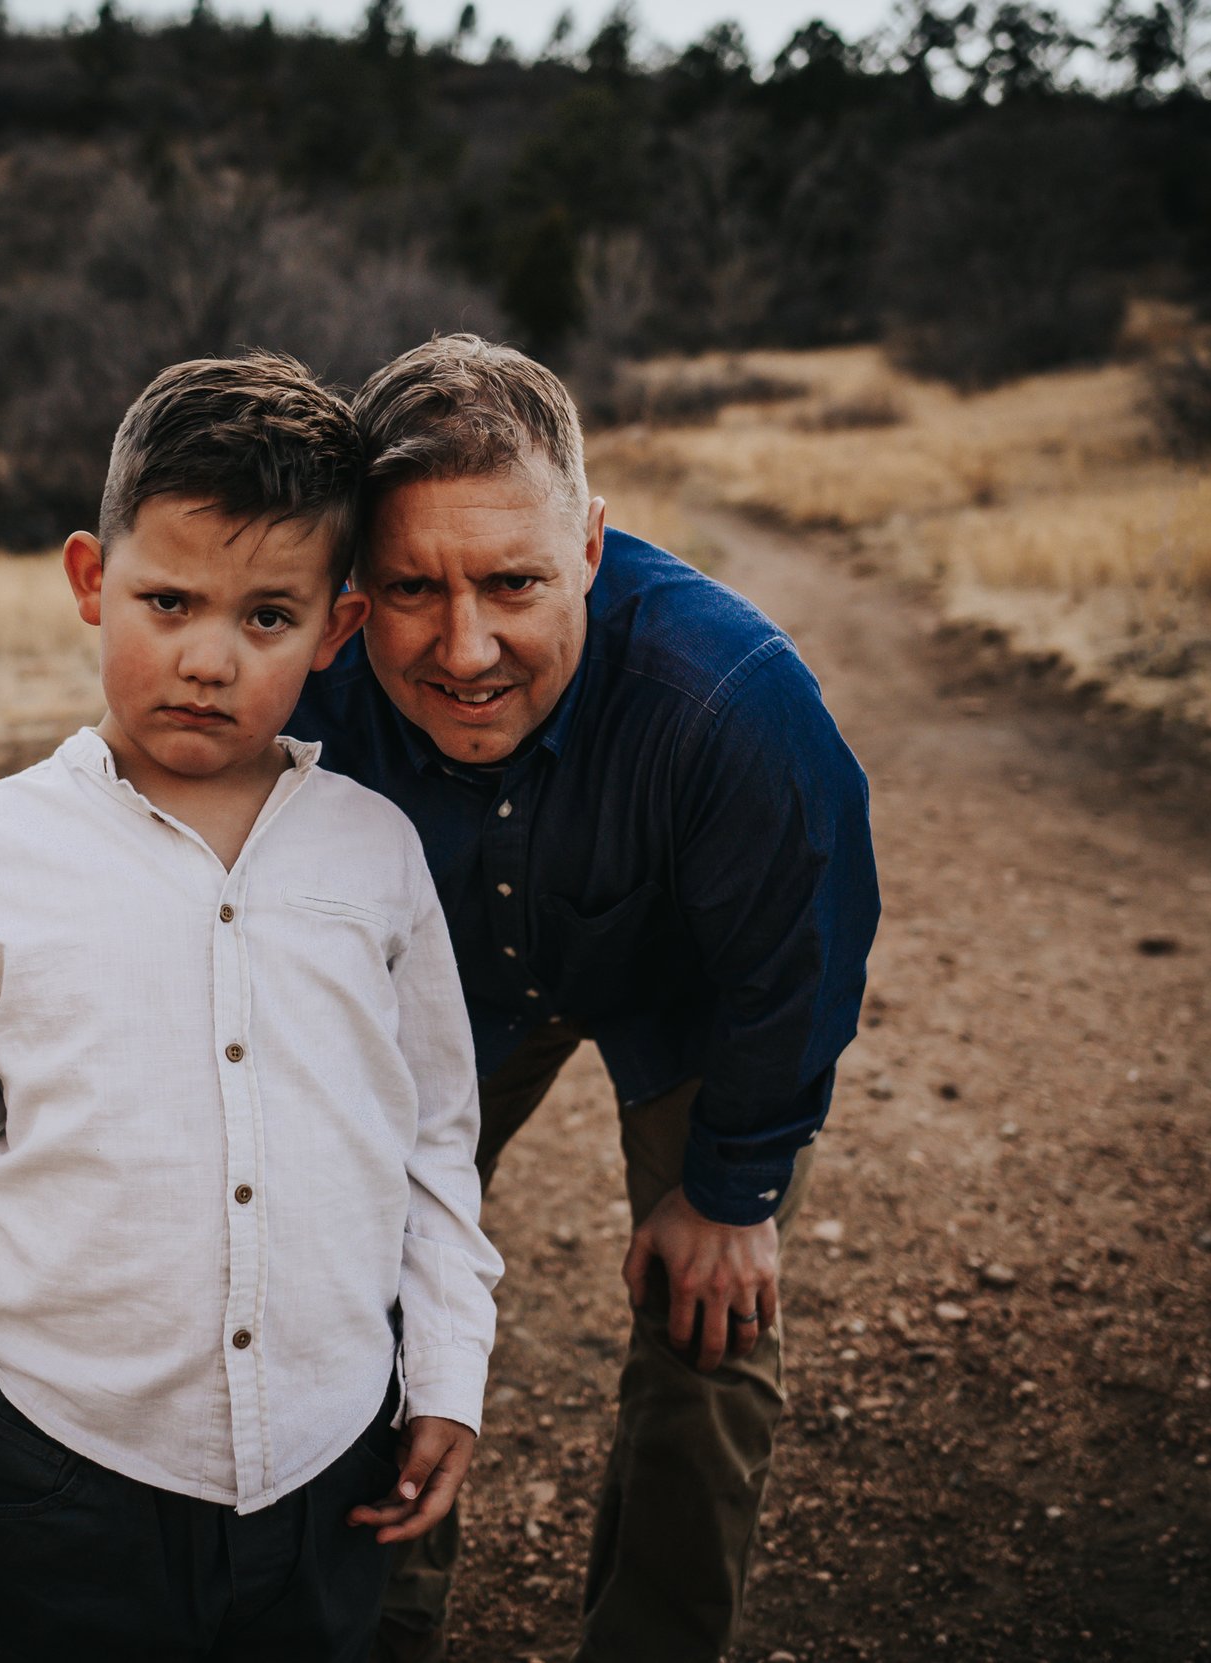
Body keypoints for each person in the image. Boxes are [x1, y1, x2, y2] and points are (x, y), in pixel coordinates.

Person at [0, 351, 503, 1663]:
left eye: (267, 617)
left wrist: (449, 1371)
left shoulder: (376, 853)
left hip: (327, 1468)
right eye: (168, 599)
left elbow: (431, 1147)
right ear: (90, 580)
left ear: (335, 630)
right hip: (74, 1478)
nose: (207, 659)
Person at [288, 335, 881, 1663]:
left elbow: (798, 961)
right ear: (348, 589)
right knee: (349, 1287)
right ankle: (369, 1629)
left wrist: (732, 1195)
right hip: (433, 1005)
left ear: (593, 550)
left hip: (678, 991)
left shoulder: (733, 702)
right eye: (409, 589)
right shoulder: (301, 692)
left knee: (712, 1324)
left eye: (515, 582)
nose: (466, 646)